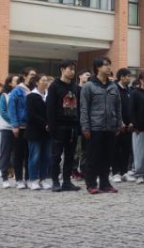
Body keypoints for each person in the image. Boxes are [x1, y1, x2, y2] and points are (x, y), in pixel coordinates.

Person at [79, 56, 122, 194]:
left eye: (109, 64)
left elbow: (118, 107)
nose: (109, 67)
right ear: (97, 67)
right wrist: (85, 126)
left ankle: (105, 183)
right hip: (94, 127)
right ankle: (91, 183)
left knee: (107, 157)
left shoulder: (113, 86)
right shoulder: (88, 86)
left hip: (110, 127)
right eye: (105, 65)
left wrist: (118, 124)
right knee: (93, 157)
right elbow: (84, 108)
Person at [46, 60, 81, 191]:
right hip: (59, 127)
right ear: (62, 70)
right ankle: (55, 181)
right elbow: (50, 108)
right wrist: (52, 127)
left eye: (73, 69)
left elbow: (79, 107)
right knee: (56, 156)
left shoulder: (75, 87)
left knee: (70, 156)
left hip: (72, 127)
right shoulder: (54, 86)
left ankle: (67, 181)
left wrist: (78, 126)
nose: (72, 72)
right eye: (69, 69)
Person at [25, 74, 53, 190]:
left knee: (46, 156)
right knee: (35, 156)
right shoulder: (31, 96)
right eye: (43, 80)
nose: (46, 83)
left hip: (47, 132)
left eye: (47, 81)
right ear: (37, 82)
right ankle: (33, 179)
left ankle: (43, 178)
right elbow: (31, 114)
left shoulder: (49, 96)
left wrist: (51, 124)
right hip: (35, 131)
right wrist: (45, 124)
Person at [8, 69, 33, 186]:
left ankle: (28, 178)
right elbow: (12, 109)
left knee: (29, 154)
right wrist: (15, 125)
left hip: (31, 126)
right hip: (20, 126)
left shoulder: (34, 90)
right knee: (19, 154)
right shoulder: (17, 91)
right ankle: (19, 179)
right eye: (31, 74)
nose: (33, 77)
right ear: (24, 76)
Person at [129, 71, 144, 183]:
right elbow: (132, 110)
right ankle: (139, 174)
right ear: (141, 80)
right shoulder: (135, 93)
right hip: (139, 128)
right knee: (139, 152)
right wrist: (135, 125)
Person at [111, 68, 134, 183]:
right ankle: (115, 172)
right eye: (128, 76)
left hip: (128, 126)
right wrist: (119, 122)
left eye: (130, 76)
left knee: (126, 149)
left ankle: (124, 172)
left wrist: (132, 122)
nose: (129, 78)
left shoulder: (129, 90)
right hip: (117, 125)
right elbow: (112, 107)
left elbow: (132, 108)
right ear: (121, 77)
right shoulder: (114, 88)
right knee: (116, 149)